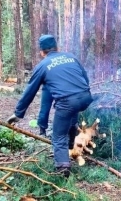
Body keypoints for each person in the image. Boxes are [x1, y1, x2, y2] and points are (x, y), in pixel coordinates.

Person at [7, 35, 93, 177]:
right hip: (85, 97)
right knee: (71, 119)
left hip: (67, 102)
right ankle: (71, 148)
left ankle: (62, 169)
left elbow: (30, 91)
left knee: (58, 136)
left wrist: (18, 113)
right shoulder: (71, 57)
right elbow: (85, 77)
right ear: (57, 47)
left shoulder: (42, 65)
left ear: (42, 51)